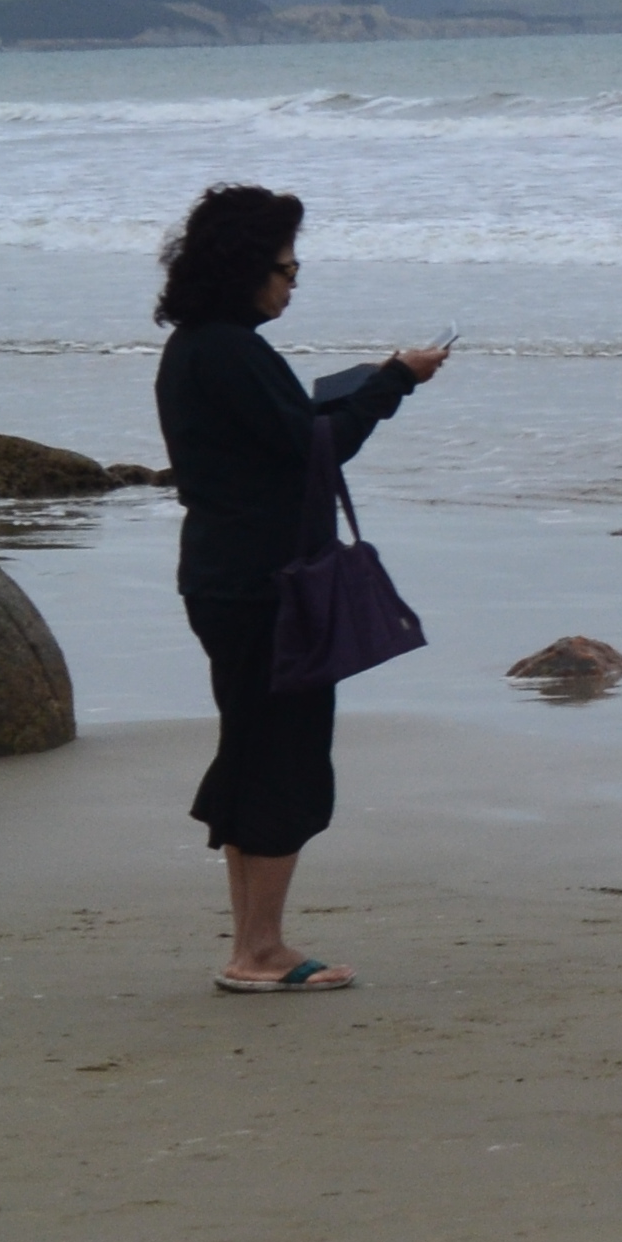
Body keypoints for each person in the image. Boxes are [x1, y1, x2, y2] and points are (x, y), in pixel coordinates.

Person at [148, 183, 449, 995]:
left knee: (253, 749)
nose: (293, 281)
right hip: (265, 585)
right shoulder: (232, 352)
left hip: (224, 577)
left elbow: (284, 437)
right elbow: (318, 449)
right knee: (282, 759)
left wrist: (361, 389)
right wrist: (394, 383)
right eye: (284, 267)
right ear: (244, 269)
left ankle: (256, 944)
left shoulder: (197, 349)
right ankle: (259, 952)